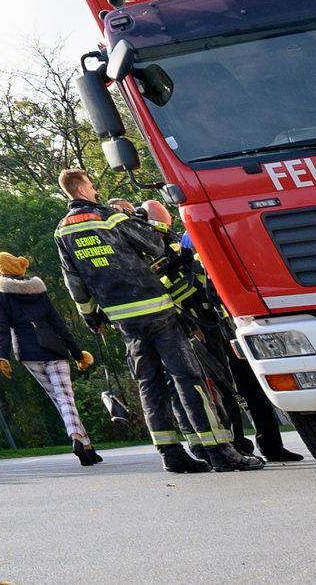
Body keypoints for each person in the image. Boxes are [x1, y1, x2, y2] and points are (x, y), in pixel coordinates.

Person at [54, 169, 234, 473]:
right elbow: (155, 245)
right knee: (186, 378)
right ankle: (219, 452)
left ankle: (170, 454)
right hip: (156, 309)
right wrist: (140, 221)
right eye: (93, 185)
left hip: (122, 319)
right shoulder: (110, 218)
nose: (96, 191)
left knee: (149, 385)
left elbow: (74, 284)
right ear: (83, 188)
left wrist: (91, 316)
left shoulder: (62, 232)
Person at [147, 195, 294, 465]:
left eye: (162, 214)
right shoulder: (178, 244)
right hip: (206, 323)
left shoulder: (185, 238)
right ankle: (237, 444)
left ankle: (271, 444)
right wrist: (193, 325)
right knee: (223, 387)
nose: (163, 219)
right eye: (157, 216)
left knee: (250, 384)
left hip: (230, 319)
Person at [0, 248, 101, 464]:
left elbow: (1, 327)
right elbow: (58, 323)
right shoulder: (37, 289)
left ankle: (86, 446)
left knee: (60, 399)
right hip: (54, 349)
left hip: (28, 353)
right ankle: (79, 439)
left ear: (0, 268)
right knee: (66, 397)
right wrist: (77, 354)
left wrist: (2, 357)